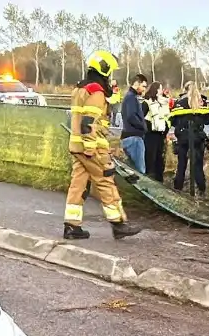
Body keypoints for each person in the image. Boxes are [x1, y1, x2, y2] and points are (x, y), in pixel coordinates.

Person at [64, 50, 141, 240]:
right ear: (104, 69)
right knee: (106, 180)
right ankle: (118, 224)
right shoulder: (96, 91)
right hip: (92, 147)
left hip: (77, 146)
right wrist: (92, 148)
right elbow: (89, 122)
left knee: (78, 184)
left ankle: (72, 226)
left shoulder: (80, 89)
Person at [169, 80, 209, 196]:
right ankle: (201, 190)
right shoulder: (203, 102)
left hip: (183, 137)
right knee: (198, 165)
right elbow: (208, 121)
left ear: (185, 89)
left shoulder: (180, 102)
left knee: (181, 164)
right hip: (198, 137)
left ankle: (178, 189)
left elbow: (172, 121)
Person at [119, 73, 149, 172]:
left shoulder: (130, 97)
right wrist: (143, 127)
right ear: (136, 83)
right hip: (134, 138)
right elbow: (131, 116)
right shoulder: (131, 98)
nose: (144, 89)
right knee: (140, 170)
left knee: (132, 170)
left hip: (131, 136)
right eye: (143, 86)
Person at [143, 81, 170, 182]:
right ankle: (148, 179)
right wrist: (147, 128)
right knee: (150, 158)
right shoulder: (147, 102)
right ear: (156, 90)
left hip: (160, 134)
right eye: (160, 89)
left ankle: (159, 180)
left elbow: (166, 118)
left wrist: (166, 130)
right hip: (150, 135)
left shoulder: (163, 103)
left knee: (160, 159)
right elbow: (142, 118)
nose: (161, 91)